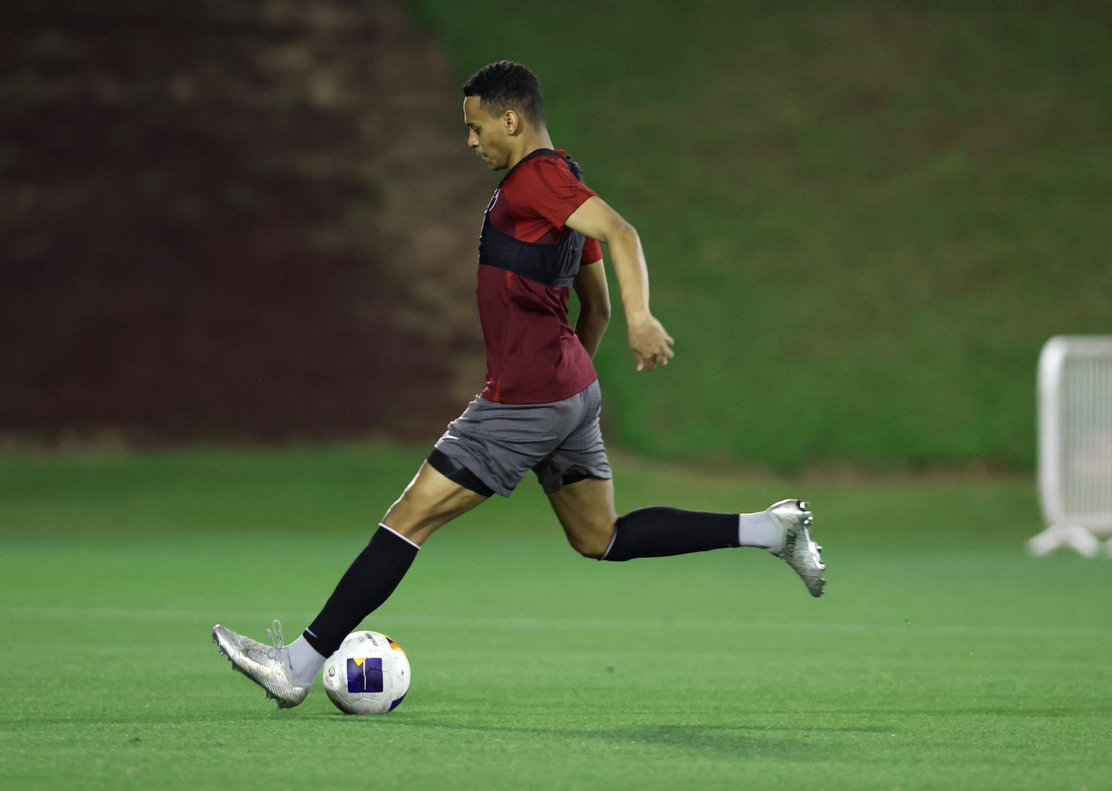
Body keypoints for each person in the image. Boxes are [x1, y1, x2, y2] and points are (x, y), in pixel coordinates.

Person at [212, 60, 825, 708]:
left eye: (476, 128)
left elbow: (623, 234)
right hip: (565, 389)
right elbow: (598, 309)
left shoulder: (538, 181)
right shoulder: (561, 183)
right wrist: (567, 393)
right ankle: (771, 528)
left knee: (409, 518)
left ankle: (298, 666)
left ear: (512, 119)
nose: (471, 142)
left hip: (528, 396)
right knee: (600, 537)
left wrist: (634, 323)